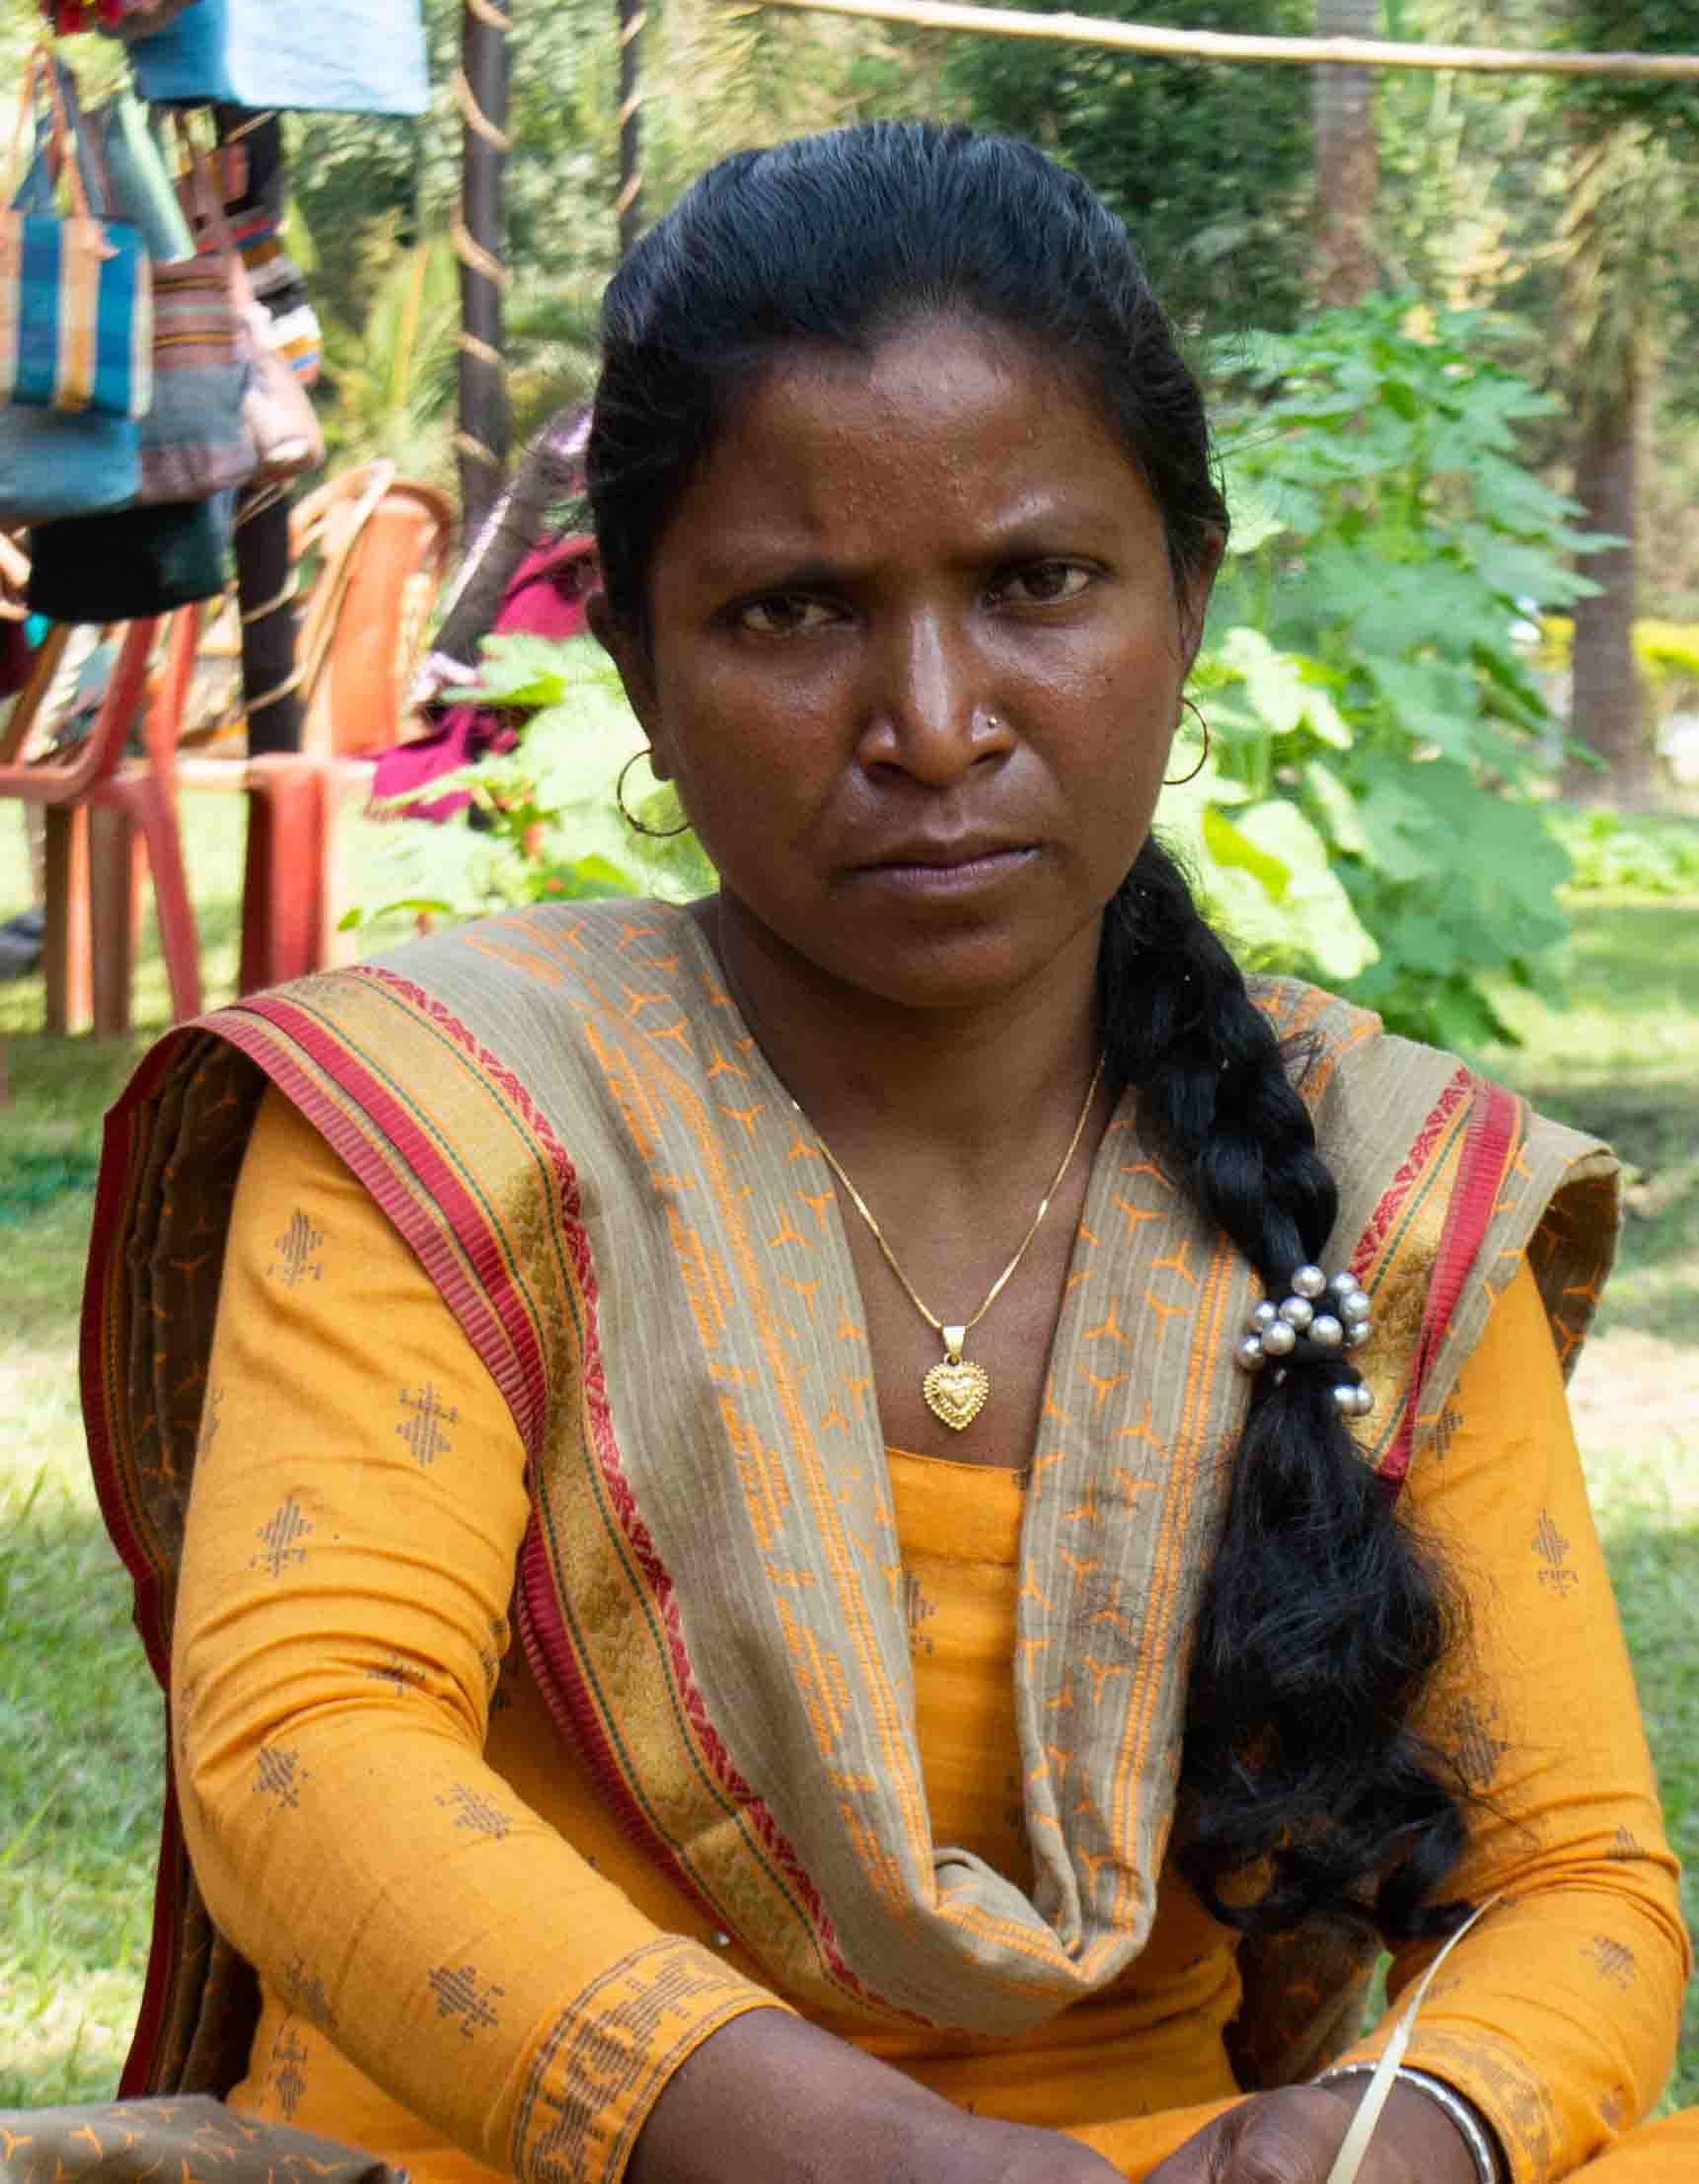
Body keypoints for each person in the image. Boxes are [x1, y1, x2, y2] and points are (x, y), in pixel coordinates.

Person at [82, 122, 1693, 2184]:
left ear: (1186, 596)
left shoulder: (1370, 1184)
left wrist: (1405, 2132)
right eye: (792, 611)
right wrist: (852, 2156)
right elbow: (309, 1749)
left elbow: (1573, 1882)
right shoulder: (455, 1122)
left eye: (1036, 584)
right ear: (642, 671)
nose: (931, 723)